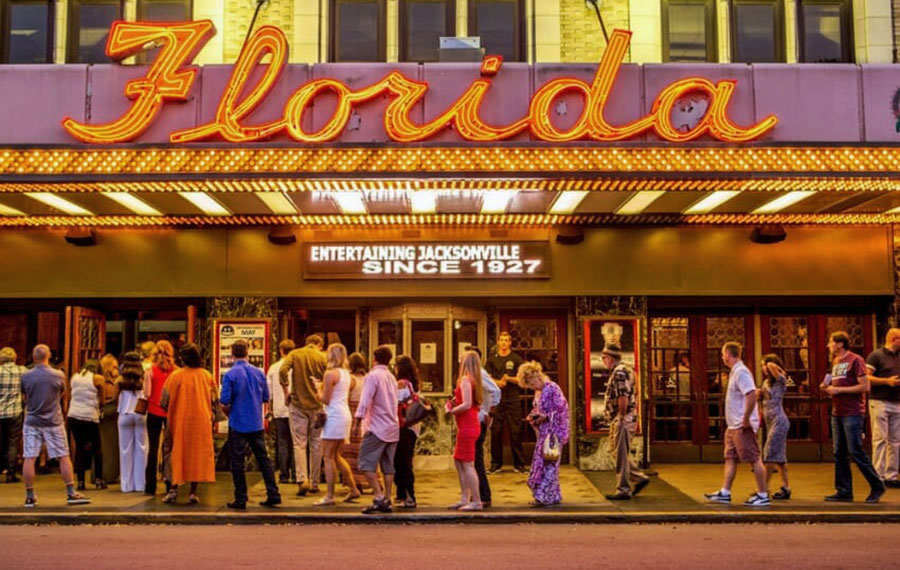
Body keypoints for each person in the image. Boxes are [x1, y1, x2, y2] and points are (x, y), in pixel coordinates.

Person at [20, 344, 90, 507]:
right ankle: (71, 492)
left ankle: (30, 495)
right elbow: (63, 393)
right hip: (53, 420)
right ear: (48, 356)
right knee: (63, 455)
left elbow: (24, 395)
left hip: (32, 420)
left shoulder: (26, 376)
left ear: (33, 356)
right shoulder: (58, 375)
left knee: (29, 456)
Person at [704, 342, 770, 507]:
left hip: (741, 424)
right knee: (730, 458)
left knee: (754, 458)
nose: (721, 357)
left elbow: (751, 395)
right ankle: (725, 492)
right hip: (733, 425)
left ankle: (762, 494)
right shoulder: (735, 372)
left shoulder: (741, 372)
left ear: (728, 354)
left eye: (722, 354)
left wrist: (746, 419)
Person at [822, 331, 885, 503]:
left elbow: (865, 386)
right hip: (837, 412)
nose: (828, 345)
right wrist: (829, 389)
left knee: (855, 451)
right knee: (839, 453)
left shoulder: (856, 360)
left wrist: (839, 390)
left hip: (853, 412)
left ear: (840, 344)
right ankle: (844, 490)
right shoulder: (835, 362)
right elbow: (840, 383)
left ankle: (877, 485)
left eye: (831, 342)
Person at [220, 340, 281, 510]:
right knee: (264, 459)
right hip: (256, 422)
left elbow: (224, 401)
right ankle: (273, 493)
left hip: (238, 423)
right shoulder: (259, 373)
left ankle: (241, 498)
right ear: (247, 352)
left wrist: (229, 413)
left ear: (232, 354)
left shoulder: (231, 375)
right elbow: (265, 398)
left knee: (237, 461)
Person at [160, 343, 216, 505]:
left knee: (175, 452)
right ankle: (193, 492)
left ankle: (173, 489)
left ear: (183, 359)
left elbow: (164, 401)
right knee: (197, 455)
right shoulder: (206, 376)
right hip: (201, 422)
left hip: (179, 421)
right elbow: (215, 401)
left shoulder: (175, 376)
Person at [353, 345, 399, 514]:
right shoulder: (391, 377)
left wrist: (358, 421)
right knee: (388, 465)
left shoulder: (373, 376)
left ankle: (379, 497)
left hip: (376, 426)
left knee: (365, 463)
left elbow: (365, 399)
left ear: (374, 358)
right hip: (392, 427)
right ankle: (388, 497)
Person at [601, 344, 650, 501]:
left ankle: (623, 489)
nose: (603, 361)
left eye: (604, 358)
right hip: (625, 417)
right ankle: (639, 477)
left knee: (620, 453)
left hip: (623, 418)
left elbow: (623, 396)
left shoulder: (619, 373)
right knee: (617, 451)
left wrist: (621, 417)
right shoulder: (625, 370)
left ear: (610, 358)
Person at [518, 360, 570, 507]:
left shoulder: (553, 388)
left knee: (550, 463)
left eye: (531, 384)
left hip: (554, 432)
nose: (532, 387)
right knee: (543, 462)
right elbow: (539, 409)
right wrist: (534, 416)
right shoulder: (538, 392)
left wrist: (546, 417)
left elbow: (562, 409)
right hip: (544, 433)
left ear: (536, 377)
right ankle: (551, 495)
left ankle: (543, 496)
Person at [280, 334, 327, 496]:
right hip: (318, 406)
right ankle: (315, 482)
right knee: (316, 443)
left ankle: (302, 480)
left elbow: (282, 370)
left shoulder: (295, 354)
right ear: (319, 344)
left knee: (299, 443)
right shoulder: (323, 357)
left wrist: (286, 391)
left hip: (298, 404)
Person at [314, 343, 361, 506]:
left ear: (331, 355)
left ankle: (329, 495)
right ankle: (353, 489)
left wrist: (317, 388)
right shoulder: (347, 374)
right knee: (337, 456)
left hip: (333, 415)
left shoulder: (330, 374)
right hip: (344, 414)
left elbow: (325, 399)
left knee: (327, 456)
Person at [446, 350, 483, 511]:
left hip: (467, 425)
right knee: (459, 461)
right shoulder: (475, 381)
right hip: (470, 424)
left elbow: (467, 404)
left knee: (467, 464)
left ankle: (476, 500)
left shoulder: (466, 380)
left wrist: (451, 411)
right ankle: (464, 497)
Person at [466, 346, 501, 507]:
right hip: (477, 418)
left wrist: (489, 412)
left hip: (479, 419)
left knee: (477, 458)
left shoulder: (479, 373)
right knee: (474, 458)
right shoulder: (472, 374)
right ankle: (478, 494)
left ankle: (483, 495)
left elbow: (495, 391)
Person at [486, 332, 525, 473]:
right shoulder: (491, 359)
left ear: (510, 343)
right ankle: (496, 464)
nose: (503, 343)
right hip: (496, 400)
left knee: (515, 431)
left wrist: (509, 379)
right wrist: (498, 382)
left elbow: (522, 379)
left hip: (513, 399)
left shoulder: (516, 359)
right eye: (501, 340)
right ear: (498, 342)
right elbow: (487, 378)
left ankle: (519, 464)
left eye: (506, 341)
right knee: (496, 431)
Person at [865, 328, 900, 488]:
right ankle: (877, 476)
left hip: (897, 402)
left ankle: (891, 476)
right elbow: (866, 377)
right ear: (894, 339)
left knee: (895, 440)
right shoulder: (876, 355)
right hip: (879, 401)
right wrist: (887, 381)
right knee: (880, 439)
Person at [66, 359, 105, 490]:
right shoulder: (98, 378)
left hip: (73, 415)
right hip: (90, 416)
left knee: (80, 448)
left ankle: (81, 481)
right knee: (97, 448)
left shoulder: (74, 377)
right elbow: (102, 400)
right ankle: (99, 480)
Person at [757, 354, 791, 500]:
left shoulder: (780, 380)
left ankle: (763, 488)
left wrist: (770, 363)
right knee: (780, 458)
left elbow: (773, 367)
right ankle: (786, 487)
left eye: (764, 365)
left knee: (769, 453)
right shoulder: (766, 382)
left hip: (779, 420)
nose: (764, 368)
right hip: (770, 421)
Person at [144, 340, 175, 495]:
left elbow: (147, 393)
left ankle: (150, 486)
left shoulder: (151, 370)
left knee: (153, 448)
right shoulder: (176, 371)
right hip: (170, 412)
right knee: (169, 449)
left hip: (153, 411)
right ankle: (170, 483)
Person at [394, 354, 423, 509]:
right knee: (405, 460)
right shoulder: (413, 384)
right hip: (411, 427)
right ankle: (402, 494)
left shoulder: (401, 384)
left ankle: (408, 495)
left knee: (402, 462)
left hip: (403, 427)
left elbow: (394, 403)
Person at [117, 351, 148, 493]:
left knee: (125, 450)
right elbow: (148, 393)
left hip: (124, 413)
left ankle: (126, 485)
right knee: (142, 449)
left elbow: (114, 394)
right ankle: (141, 484)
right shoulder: (144, 375)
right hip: (140, 412)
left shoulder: (121, 377)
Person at [267, 339, 296, 484]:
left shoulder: (273, 368)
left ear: (280, 350)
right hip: (296, 409)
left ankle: (284, 475)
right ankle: (297, 474)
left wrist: (269, 409)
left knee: (283, 442)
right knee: (297, 443)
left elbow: (269, 392)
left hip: (279, 409)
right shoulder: (296, 367)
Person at [0, 347, 25, 483]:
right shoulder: (21, 371)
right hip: (14, 411)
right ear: (15, 357)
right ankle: (11, 472)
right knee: (13, 442)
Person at [345, 351, 368, 489]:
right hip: (366, 414)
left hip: (353, 414)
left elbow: (346, 399)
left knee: (351, 451)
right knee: (364, 449)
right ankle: (370, 479)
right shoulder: (367, 378)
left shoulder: (350, 379)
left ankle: (355, 481)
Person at [98, 354, 120, 485]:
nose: (117, 369)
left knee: (111, 446)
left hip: (112, 414)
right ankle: (107, 474)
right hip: (107, 413)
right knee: (106, 446)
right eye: (115, 366)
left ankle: (110, 473)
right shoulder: (103, 382)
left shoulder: (115, 381)